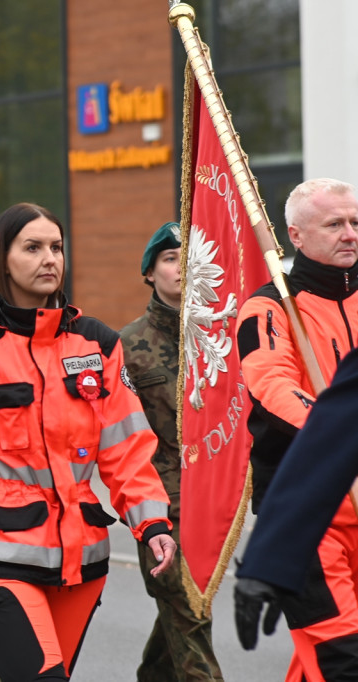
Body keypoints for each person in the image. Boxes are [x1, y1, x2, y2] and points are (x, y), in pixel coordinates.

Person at [0, 202, 176, 682]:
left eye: (56, 247)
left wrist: (152, 523)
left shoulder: (97, 345)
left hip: (82, 559)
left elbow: (126, 450)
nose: (50, 258)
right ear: (3, 259)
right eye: (33, 248)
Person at [234, 177, 358, 680]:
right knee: (342, 657)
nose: (350, 233)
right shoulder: (267, 309)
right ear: (296, 236)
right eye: (335, 224)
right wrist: (340, 437)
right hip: (309, 514)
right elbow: (273, 385)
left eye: (355, 223)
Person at [120, 222, 224, 681]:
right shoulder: (126, 347)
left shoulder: (221, 336)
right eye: (168, 258)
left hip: (215, 502)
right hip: (162, 507)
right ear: (149, 273)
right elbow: (119, 437)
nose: (180, 266)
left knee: (180, 622)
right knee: (190, 613)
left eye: (186, 257)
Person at [234, 348, 358, 662]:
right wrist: (275, 556)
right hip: (325, 524)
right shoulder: (270, 304)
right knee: (341, 659)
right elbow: (329, 438)